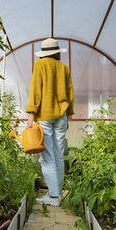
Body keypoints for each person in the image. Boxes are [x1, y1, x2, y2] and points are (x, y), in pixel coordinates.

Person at [26, 38, 74, 206]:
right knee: (59, 155)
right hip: (61, 116)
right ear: (56, 52)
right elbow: (70, 92)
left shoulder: (40, 65)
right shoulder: (64, 68)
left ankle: (54, 197)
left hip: (45, 115)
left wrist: (31, 115)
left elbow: (35, 90)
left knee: (47, 157)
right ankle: (58, 193)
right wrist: (69, 114)